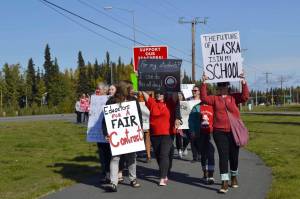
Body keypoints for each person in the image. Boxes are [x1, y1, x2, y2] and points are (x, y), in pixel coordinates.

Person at [200, 73, 249, 193]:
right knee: (223, 156)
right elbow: (204, 98)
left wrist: (243, 81)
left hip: (234, 132)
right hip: (219, 132)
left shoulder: (234, 97)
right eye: (220, 87)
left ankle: (234, 177)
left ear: (228, 87)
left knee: (234, 157)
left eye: (224, 86)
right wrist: (204, 83)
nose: (222, 88)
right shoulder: (215, 98)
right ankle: (224, 182)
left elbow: (245, 97)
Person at [103, 80, 142, 192]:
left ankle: (133, 179)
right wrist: (106, 133)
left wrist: (138, 132)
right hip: (117, 135)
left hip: (131, 134)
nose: (133, 90)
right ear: (125, 89)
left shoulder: (133, 101)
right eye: (131, 88)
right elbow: (105, 120)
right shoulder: (111, 101)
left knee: (131, 157)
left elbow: (138, 117)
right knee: (115, 158)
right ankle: (113, 182)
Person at [142, 90, 181, 186]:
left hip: (167, 133)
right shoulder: (153, 103)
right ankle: (165, 169)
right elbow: (144, 94)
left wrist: (173, 87)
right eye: (157, 93)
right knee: (159, 155)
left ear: (165, 95)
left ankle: (163, 177)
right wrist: (139, 78)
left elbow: (175, 98)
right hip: (155, 135)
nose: (159, 95)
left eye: (161, 93)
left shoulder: (169, 104)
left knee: (164, 154)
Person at [189, 101, 215, 184]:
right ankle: (205, 172)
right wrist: (192, 130)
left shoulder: (213, 106)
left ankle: (211, 176)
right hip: (200, 134)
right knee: (203, 155)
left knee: (211, 153)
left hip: (211, 133)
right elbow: (191, 120)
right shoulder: (196, 107)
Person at [95, 82, 111, 183]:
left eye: (99, 89)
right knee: (101, 153)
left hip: (108, 131)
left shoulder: (110, 100)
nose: (97, 91)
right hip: (98, 131)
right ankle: (104, 173)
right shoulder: (95, 101)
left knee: (109, 153)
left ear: (105, 90)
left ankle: (111, 173)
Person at [186, 86, 201, 161]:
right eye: (193, 90)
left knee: (199, 140)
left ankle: (200, 154)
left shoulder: (202, 101)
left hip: (200, 122)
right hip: (191, 121)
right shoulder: (189, 100)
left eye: (195, 90)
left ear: (199, 92)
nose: (194, 92)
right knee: (192, 139)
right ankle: (195, 157)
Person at [176, 92, 189, 159]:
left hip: (186, 123)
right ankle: (179, 150)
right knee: (178, 137)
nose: (179, 97)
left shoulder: (186, 103)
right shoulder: (174, 103)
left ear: (183, 96)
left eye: (180, 96)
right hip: (178, 123)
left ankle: (184, 147)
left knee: (186, 137)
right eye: (177, 96)